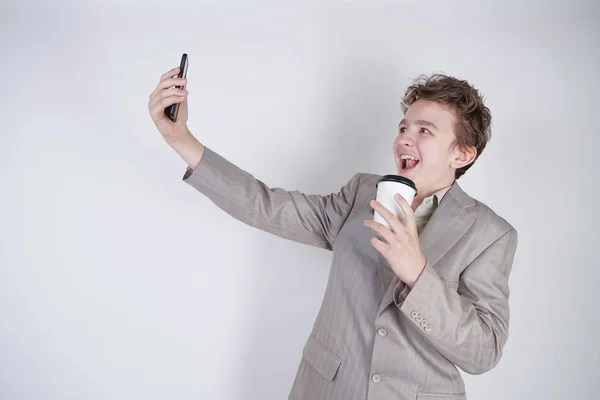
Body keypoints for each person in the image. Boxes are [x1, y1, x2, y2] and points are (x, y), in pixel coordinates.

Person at [148, 68, 518, 400]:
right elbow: (267, 206)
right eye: (404, 127)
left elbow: (482, 351)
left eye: (425, 130)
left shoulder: (490, 234)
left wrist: (418, 273)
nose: (405, 138)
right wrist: (181, 139)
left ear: (462, 155)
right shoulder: (361, 194)